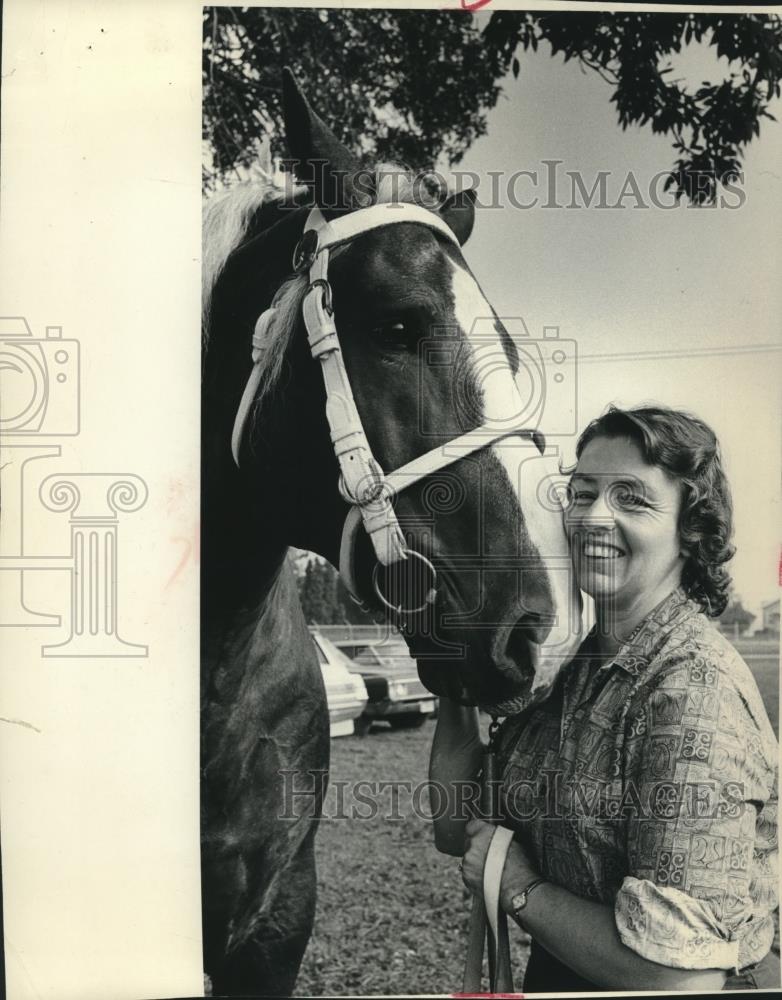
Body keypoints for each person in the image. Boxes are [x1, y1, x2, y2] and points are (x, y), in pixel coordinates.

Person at [433, 405, 778, 991]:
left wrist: (521, 889)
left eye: (631, 498)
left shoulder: (690, 690)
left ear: (690, 530)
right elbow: (458, 829)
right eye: (581, 492)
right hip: (568, 969)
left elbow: (680, 980)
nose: (592, 517)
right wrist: (458, 669)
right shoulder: (571, 665)